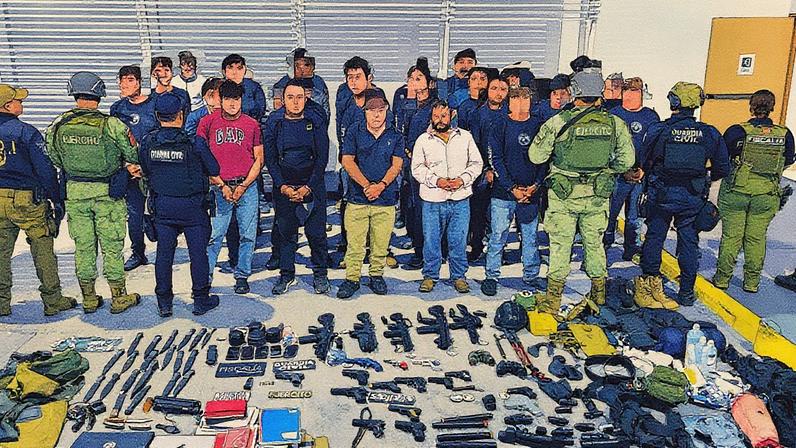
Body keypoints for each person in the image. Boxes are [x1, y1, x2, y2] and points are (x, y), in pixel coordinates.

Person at [529, 67, 634, 316]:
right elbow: (627, 160)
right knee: (595, 244)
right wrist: (606, 169)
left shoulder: (559, 121)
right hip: (597, 194)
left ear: (574, 92)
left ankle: (552, 300)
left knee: (560, 245)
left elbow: (536, 155)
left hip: (564, 194)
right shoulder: (614, 123)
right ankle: (599, 296)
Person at [46, 72, 142, 314]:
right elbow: (133, 155)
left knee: (84, 247)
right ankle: (118, 297)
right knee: (112, 246)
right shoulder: (112, 124)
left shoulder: (58, 125)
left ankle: (88, 298)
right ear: (99, 94)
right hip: (107, 194)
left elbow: (55, 157)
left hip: (76, 194)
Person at [637, 82, 730, 308]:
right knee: (689, 242)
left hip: (661, 195)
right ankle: (686, 291)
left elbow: (642, 160)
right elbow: (722, 168)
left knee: (655, 237)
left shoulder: (659, 130)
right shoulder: (709, 133)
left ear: (673, 103)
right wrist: (703, 179)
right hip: (692, 197)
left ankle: (650, 285)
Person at [139, 92, 221, 317]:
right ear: (182, 114)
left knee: (164, 255)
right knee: (198, 254)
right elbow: (214, 169)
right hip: (193, 208)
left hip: (163, 206)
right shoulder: (194, 143)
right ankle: (200, 300)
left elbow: (145, 169)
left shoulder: (148, 142)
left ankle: (164, 303)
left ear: (157, 115)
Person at [0, 84, 77, 317]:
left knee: (1, 252)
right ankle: (52, 300)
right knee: (42, 248)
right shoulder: (26, 132)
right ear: (7, 106)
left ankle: (2, 303)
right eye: (18, 101)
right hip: (27, 199)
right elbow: (45, 169)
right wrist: (56, 198)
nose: (21, 104)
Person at [713, 90, 795, 292]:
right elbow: (789, 159)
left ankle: (722, 279)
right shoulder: (784, 134)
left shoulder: (736, 131)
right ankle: (751, 282)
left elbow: (722, 158)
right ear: (772, 108)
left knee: (732, 237)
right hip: (766, 194)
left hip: (736, 191)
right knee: (756, 238)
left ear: (751, 106)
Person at [263, 79, 330, 295]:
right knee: (286, 234)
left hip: (312, 185)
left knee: (316, 233)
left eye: (300, 97)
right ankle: (286, 275)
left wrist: (308, 187)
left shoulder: (316, 120)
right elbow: (270, 159)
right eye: (290, 97)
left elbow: (322, 159)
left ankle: (320, 275)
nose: (295, 102)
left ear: (306, 98)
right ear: (283, 100)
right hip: (284, 186)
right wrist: (282, 186)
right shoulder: (274, 122)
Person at [197, 80, 264, 295]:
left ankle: (242, 275)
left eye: (236, 99)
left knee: (247, 234)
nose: (233, 103)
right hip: (219, 188)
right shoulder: (207, 123)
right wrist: (220, 184)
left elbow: (259, 159)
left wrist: (244, 185)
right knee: (215, 235)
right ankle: (204, 279)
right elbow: (201, 157)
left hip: (247, 186)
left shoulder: (251, 124)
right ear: (220, 100)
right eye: (228, 99)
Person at [481, 86, 547, 296]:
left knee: (530, 236)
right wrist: (511, 187)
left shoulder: (538, 125)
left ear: (531, 101)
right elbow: (495, 159)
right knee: (498, 234)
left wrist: (536, 185)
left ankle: (531, 275)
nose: (520, 103)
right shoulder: (499, 124)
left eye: (525, 99)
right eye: (516, 98)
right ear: (510, 102)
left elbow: (545, 158)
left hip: (531, 192)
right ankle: (491, 275)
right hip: (503, 193)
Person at [337, 91, 404, 299]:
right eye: (372, 111)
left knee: (381, 242)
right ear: (364, 112)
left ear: (387, 111)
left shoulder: (395, 136)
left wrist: (381, 186)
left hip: (385, 199)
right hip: (358, 197)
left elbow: (397, 164)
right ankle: (352, 278)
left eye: (381, 111)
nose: (377, 115)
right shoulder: (354, 132)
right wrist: (367, 185)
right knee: (355, 243)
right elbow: (347, 160)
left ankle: (376, 275)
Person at [412, 100, 483, 293]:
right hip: (432, 199)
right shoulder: (422, 140)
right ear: (431, 117)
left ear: (451, 115)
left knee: (458, 240)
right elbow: (417, 169)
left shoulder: (465, 137)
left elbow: (477, 163)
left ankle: (459, 276)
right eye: (436, 116)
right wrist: (437, 181)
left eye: (443, 116)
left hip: (460, 198)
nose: (440, 120)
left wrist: (462, 180)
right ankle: (430, 276)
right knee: (431, 240)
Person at [605, 77, 660, 260]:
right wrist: (621, 169)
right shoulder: (613, 114)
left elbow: (655, 147)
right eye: (628, 91)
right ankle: (603, 247)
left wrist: (644, 169)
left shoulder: (650, 117)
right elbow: (606, 147)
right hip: (616, 176)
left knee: (635, 217)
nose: (632, 95)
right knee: (609, 215)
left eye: (636, 91)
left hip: (640, 176)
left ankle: (632, 249)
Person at [110, 65, 158, 271]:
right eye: (121, 80)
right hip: (130, 172)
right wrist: (126, 165)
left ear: (140, 82)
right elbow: (112, 141)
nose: (124, 84)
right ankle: (138, 252)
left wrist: (148, 165)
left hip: (154, 169)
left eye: (129, 79)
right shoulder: (117, 108)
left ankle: (165, 247)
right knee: (134, 214)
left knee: (160, 212)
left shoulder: (154, 106)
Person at [400, 58, 438, 270]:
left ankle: (429, 253)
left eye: (418, 78)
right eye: (411, 79)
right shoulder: (404, 103)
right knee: (412, 208)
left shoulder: (434, 106)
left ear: (429, 82)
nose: (414, 83)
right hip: (408, 164)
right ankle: (417, 249)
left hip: (429, 167)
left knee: (428, 210)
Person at [273, 48, 330, 121]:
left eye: (306, 65)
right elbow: (276, 109)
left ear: (312, 66)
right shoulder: (282, 84)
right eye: (297, 65)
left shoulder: (318, 82)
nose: (302, 69)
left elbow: (325, 111)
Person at [221, 54, 267, 122]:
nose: (235, 72)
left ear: (245, 70)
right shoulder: (218, 86)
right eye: (230, 68)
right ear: (224, 71)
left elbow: (260, 109)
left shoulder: (254, 87)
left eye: (239, 68)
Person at [455, 66, 492, 132]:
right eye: (474, 79)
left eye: (482, 79)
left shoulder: (492, 103)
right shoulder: (464, 106)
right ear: (469, 82)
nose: (478, 82)